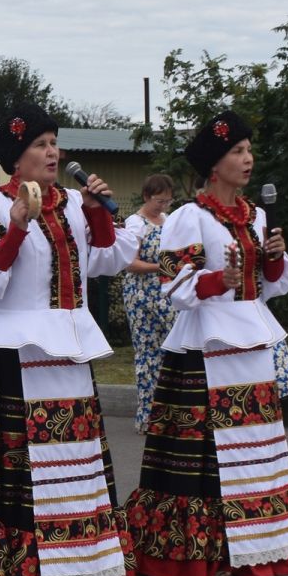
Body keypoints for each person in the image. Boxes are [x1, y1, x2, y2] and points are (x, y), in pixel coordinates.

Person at [0, 103, 139, 576]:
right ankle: (16, 575)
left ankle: (80, 566)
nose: (54, 153)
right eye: (41, 146)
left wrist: (96, 212)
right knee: (20, 468)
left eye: (54, 142)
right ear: (16, 160)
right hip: (13, 354)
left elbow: (107, 261)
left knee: (73, 459)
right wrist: (17, 227)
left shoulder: (71, 203)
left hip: (67, 349)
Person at [124, 110, 288, 576]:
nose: (248, 159)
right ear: (214, 164)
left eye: (249, 150)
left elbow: (270, 286)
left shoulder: (256, 217)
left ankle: (263, 536)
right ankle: (206, 547)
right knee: (206, 451)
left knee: (255, 443)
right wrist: (216, 280)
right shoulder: (191, 216)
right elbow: (174, 283)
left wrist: (271, 261)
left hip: (250, 343)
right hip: (205, 346)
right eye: (237, 151)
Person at [121, 173, 176, 432]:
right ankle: (149, 417)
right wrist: (162, 267)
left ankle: (174, 415)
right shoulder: (136, 223)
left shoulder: (167, 220)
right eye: (158, 201)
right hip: (142, 297)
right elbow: (130, 262)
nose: (163, 206)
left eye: (167, 201)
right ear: (146, 197)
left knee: (174, 352)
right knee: (148, 356)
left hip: (166, 294)